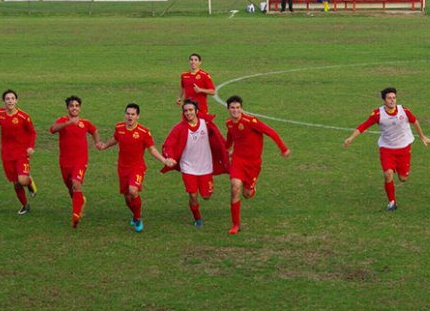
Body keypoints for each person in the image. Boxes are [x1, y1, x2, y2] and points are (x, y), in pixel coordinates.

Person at [344, 87, 430, 211]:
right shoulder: (378, 114)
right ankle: (392, 201)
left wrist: (422, 136)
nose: (392, 100)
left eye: (394, 98)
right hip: (387, 148)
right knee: (388, 174)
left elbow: (415, 121)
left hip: (404, 148)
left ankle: (398, 170)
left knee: (402, 178)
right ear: (384, 100)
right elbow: (364, 126)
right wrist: (351, 138)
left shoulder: (404, 111)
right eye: (389, 98)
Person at [99, 103, 175, 233]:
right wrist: (105, 145)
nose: (130, 116)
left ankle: (138, 218)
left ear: (138, 116)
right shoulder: (119, 127)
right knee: (127, 197)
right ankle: (135, 215)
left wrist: (164, 160)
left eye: (133, 114)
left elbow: (151, 148)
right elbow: (115, 139)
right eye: (128, 113)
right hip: (122, 167)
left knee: (133, 190)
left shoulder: (144, 132)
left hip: (137, 167)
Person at [225, 95, 290, 234]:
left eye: (237, 107)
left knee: (247, 194)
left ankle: (251, 188)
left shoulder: (251, 121)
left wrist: (283, 148)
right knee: (235, 187)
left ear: (241, 108)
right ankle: (235, 225)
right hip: (238, 160)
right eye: (232, 108)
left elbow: (270, 131)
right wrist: (226, 150)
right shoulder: (229, 123)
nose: (235, 110)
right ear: (228, 109)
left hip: (253, 163)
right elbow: (230, 138)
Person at [162, 99, 228, 227]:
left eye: (191, 110)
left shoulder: (207, 124)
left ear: (196, 111)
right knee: (193, 195)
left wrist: (226, 151)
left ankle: (203, 198)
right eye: (186, 110)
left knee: (206, 196)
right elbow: (168, 144)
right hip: (188, 167)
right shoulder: (179, 128)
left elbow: (219, 139)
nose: (188, 113)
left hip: (206, 167)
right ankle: (198, 218)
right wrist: (169, 157)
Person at [0, 89, 37, 215]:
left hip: (21, 153)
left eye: (12, 98)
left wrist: (31, 147)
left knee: (22, 180)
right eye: (7, 99)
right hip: (7, 154)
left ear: (16, 100)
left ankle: (29, 182)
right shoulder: (1, 113)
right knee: (16, 183)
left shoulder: (23, 116)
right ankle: (25, 205)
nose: (10, 101)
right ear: (4, 101)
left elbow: (32, 132)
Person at [50, 96, 102, 228]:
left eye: (77, 105)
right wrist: (67, 123)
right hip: (65, 162)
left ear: (80, 108)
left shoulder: (85, 122)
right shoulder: (62, 120)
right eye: (72, 106)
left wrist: (97, 142)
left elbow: (94, 130)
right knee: (71, 189)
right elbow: (53, 129)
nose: (74, 108)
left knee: (76, 183)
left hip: (80, 160)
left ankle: (75, 215)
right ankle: (80, 202)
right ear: (67, 108)